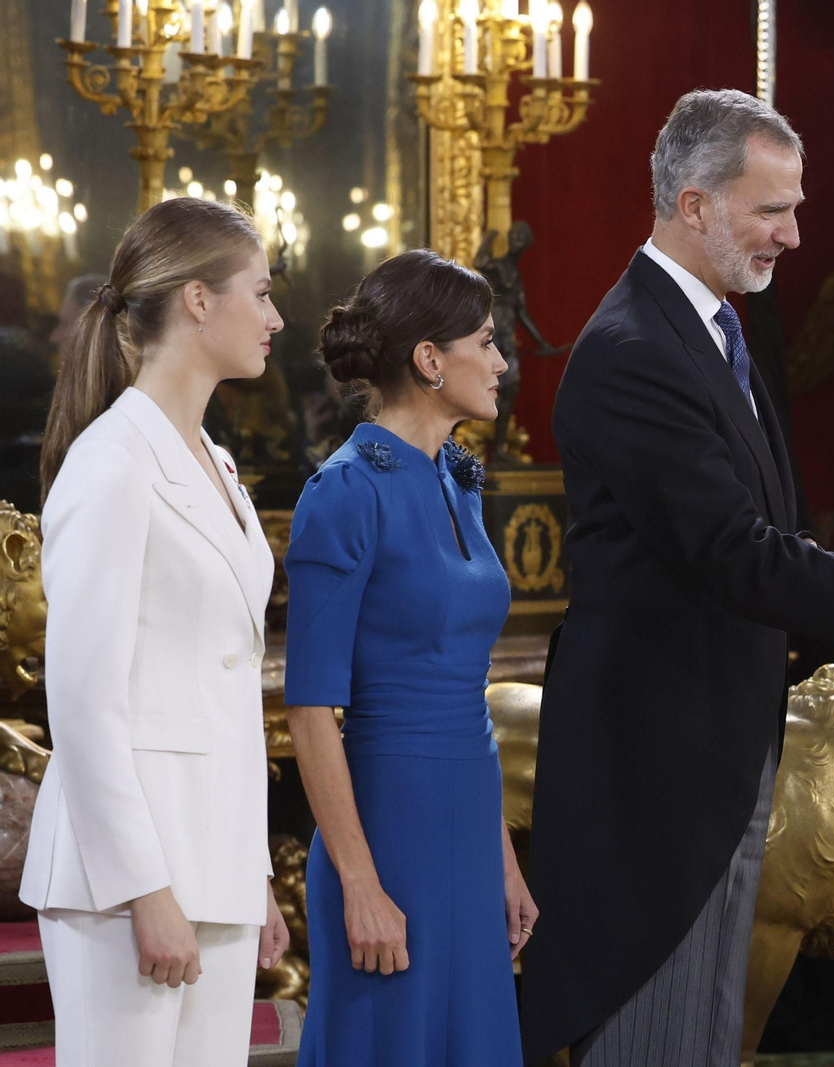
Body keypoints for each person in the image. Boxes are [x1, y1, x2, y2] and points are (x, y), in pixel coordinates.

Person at [518, 88, 834, 1067]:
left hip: (724, 743)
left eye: (793, 207)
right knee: (655, 1039)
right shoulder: (634, 352)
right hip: (656, 773)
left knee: (711, 1036)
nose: (796, 236)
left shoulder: (727, 334)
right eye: (772, 210)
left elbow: (781, 534)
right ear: (693, 205)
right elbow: (741, 556)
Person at [20, 197, 290, 1067]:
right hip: (124, 878)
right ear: (199, 302)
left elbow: (221, 685)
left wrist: (250, 875)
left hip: (211, 862)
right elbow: (85, 700)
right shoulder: (110, 461)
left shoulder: (213, 461)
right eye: (261, 290)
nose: (276, 316)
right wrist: (146, 887)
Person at [282, 249, 534, 1066]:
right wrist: (360, 882)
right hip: (385, 835)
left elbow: (464, 696)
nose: (501, 362)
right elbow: (310, 706)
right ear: (430, 360)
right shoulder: (345, 491)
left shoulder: (458, 478)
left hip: (467, 826)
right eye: (486, 342)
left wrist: (501, 858)